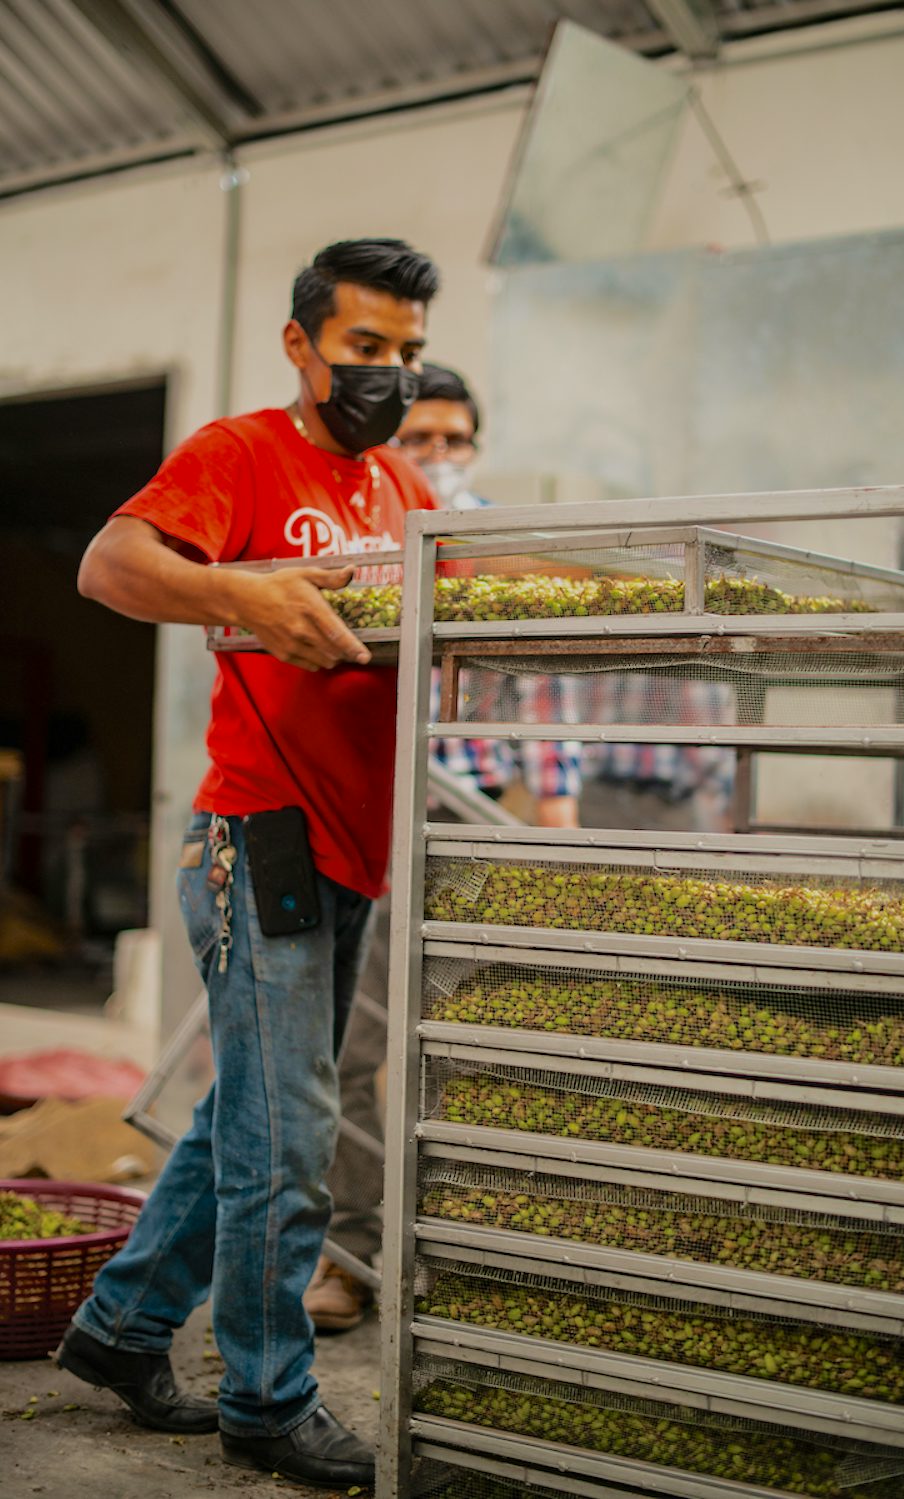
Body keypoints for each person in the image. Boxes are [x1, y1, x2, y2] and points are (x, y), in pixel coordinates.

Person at [57, 238, 442, 1492]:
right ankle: (269, 1398)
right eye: (365, 348)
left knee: (250, 1115)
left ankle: (120, 1331)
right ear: (301, 343)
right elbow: (110, 566)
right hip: (260, 833)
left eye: (405, 352)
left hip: (355, 852)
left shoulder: (398, 492)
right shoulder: (238, 454)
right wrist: (251, 593)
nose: (387, 374)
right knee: (289, 1139)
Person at [303, 365, 581, 1332]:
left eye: (454, 440)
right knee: (352, 1044)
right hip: (369, 817)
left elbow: (544, 690)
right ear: (387, 444)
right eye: (419, 438)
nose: (439, 456)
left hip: (467, 824)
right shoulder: (362, 540)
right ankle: (350, 1256)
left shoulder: (494, 546)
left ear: (475, 448)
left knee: (471, 1044)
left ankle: (466, 1257)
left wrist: (555, 819)